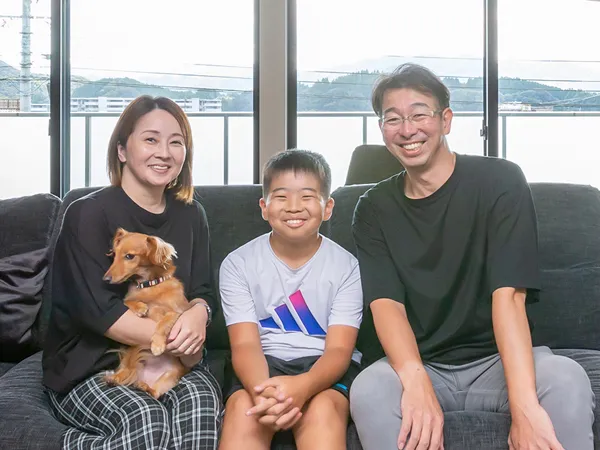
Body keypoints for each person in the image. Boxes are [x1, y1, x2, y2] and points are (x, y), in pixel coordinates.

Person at [348, 64, 595, 450]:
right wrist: (415, 382)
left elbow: (509, 297)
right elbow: (386, 306)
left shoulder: (500, 181)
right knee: (369, 390)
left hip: (496, 362)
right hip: (421, 363)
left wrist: (524, 407)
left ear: (445, 120)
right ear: (382, 128)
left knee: (566, 379)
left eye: (419, 114)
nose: (407, 130)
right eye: (393, 119)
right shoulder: (373, 208)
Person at [42, 95, 223, 449]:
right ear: (122, 150)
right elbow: (103, 314)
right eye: (151, 139)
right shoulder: (87, 214)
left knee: (201, 404)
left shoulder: (191, 215)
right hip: (92, 365)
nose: (165, 153)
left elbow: (203, 290)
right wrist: (183, 341)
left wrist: (200, 313)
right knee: (145, 417)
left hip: (169, 358)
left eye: (176, 142)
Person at [217, 149, 363, 450]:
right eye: (281, 197)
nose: (294, 207)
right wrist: (264, 394)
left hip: (322, 366)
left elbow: (338, 349)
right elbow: (244, 345)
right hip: (261, 364)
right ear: (264, 207)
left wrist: (303, 387)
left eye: (307, 196)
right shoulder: (238, 264)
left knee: (323, 411)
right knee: (244, 411)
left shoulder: (347, 267)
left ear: (328, 207)